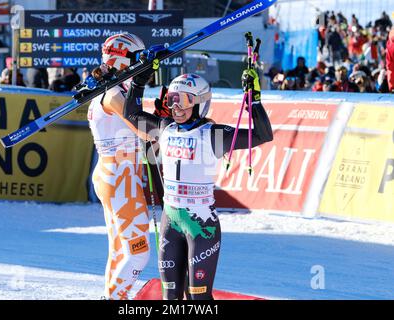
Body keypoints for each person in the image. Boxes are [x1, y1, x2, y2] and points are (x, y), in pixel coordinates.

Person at [123, 58, 273, 300]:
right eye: (172, 100)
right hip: (170, 222)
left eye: (183, 101)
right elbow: (131, 114)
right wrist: (140, 79)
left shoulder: (213, 135)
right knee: (170, 297)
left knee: (198, 298)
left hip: (201, 226)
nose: (176, 108)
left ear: (200, 103)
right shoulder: (164, 128)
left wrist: (253, 100)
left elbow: (263, 135)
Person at [85, 33, 151, 300]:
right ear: (121, 60)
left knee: (120, 249)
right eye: (137, 59)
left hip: (117, 174)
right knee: (139, 252)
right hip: (119, 176)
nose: (140, 64)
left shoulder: (115, 89)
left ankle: (112, 296)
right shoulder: (112, 93)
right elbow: (144, 129)